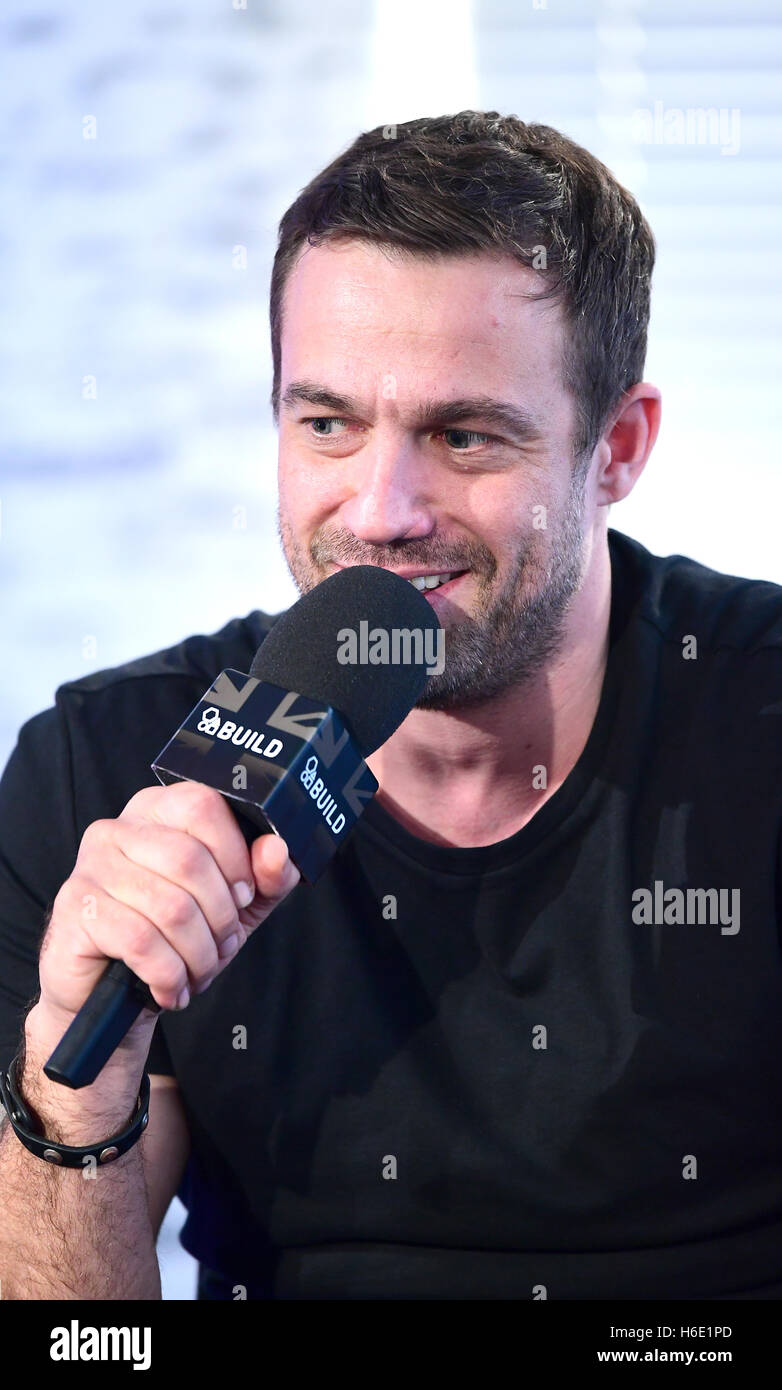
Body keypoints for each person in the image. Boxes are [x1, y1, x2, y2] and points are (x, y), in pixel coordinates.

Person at [1, 110, 781, 1302]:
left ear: (615, 448)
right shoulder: (105, 767)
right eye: (327, 424)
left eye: (462, 435)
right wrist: (76, 1087)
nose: (379, 511)